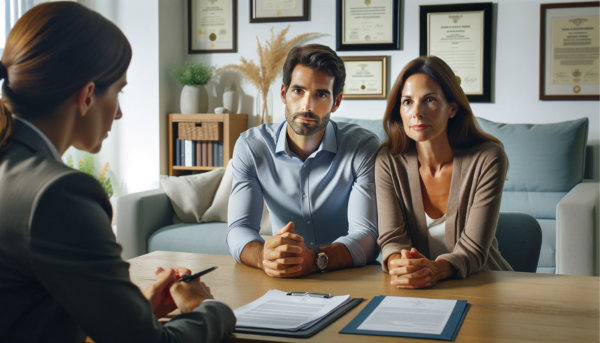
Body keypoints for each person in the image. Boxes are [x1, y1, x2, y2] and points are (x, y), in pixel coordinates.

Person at [0, 3, 235, 342]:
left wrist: (130, 311)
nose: (121, 113)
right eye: (119, 91)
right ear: (87, 95)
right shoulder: (57, 193)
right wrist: (212, 309)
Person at [226, 44, 379, 277]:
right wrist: (264, 256)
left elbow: (367, 235)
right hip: (283, 275)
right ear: (283, 93)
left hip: (347, 274)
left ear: (336, 102)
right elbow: (240, 228)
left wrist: (316, 259)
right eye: (298, 91)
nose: (307, 106)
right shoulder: (252, 147)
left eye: (320, 94)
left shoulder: (362, 147)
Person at [376, 56, 512, 289]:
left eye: (429, 99)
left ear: (452, 108)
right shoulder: (388, 161)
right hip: (416, 288)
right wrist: (401, 265)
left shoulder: (488, 158)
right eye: (407, 102)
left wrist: (434, 270)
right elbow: (392, 240)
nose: (416, 112)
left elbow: (473, 249)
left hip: (483, 284)